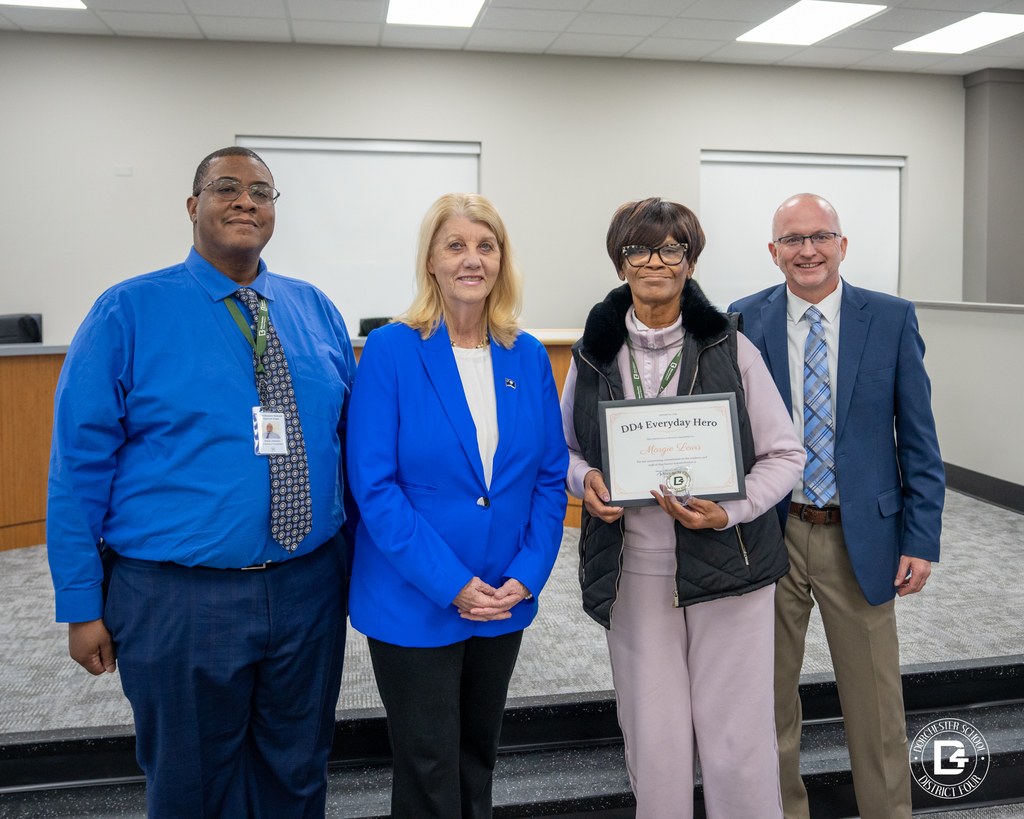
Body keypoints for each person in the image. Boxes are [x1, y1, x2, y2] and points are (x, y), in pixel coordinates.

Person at [46, 146, 357, 819]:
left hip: (306, 588)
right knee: (191, 785)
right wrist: (79, 602)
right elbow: (77, 467)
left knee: (297, 773)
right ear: (193, 207)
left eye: (262, 191)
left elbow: (344, 449)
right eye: (226, 187)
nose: (246, 200)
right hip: (177, 597)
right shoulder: (126, 312)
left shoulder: (316, 311)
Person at [561, 197, 805, 818]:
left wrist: (732, 510)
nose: (655, 262)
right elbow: (560, 452)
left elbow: (785, 456)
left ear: (690, 261)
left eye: (672, 248)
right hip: (635, 571)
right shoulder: (592, 356)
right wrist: (585, 478)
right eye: (639, 249)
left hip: (731, 567)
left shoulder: (733, 349)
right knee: (654, 739)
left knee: (738, 743)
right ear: (621, 265)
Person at [346, 192, 568, 819]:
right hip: (415, 597)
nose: (473, 259)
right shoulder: (391, 349)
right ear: (432, 262)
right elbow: (375, 486)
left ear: (502, 260)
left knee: (478, 758)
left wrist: (526, 575)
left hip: (502, 596)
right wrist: (452, 584)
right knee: (428, 769)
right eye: (456, 245)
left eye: (486, 245)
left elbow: (549, 480)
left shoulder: (524, 352)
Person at [729, 193, 944, 819]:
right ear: (774, 253)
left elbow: (920, 441)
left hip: (863, 535)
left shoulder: (892, 318)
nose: (808, 251)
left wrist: (920, 539)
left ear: (842, 245)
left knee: (876, 706)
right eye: (792, 240)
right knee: (768, 702)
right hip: (773, 532)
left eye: (820, 236)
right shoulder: (742, 320)